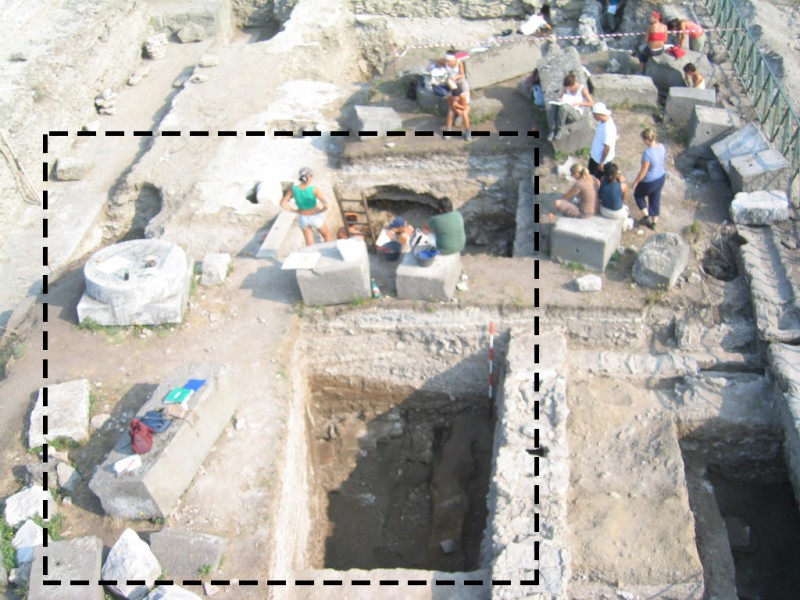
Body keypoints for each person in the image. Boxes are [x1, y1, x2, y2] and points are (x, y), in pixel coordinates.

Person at [279, 167, 334, 246]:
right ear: (309, 177)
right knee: (326, 235)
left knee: (309, 243)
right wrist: (321, 210)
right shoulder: (314, 189)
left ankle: (309, 256)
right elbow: (326, 205)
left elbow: (283, 204)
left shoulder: (293, 189)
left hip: (303, 217)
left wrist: (294, 210)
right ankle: (329, 253)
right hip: (315, 216)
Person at [631, 128, 667, 230]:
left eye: (643, 139)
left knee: (638, 194)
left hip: (650, 180)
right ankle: (654, 223)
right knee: (655, 198)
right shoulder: (662, 147)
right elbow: (665, 158)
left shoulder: (647, 153)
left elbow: (644, 171)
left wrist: (636, 182)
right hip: (661, 177)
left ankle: (646, 217)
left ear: (647, 139)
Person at [547, 72, 594, 141]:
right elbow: (562, 97)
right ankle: (552, 128)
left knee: (564, 107)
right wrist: (560, 99)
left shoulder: (582, 89)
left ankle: (559, 129)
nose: (568, 89)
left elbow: (591, 103)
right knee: (554, 105)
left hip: (576, 113)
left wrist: (579, 103)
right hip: (565, 110)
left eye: (569, 88)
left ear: (573, 85)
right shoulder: (565, 88)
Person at [588, 102, 617, 179]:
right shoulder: (601, 122)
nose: (593, 116)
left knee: (597, 180)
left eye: (594, 114)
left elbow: (607, 147)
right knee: (590, 176)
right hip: (595, 156)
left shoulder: (608, 128)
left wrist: (602, 162)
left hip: (601, 160)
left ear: (599, 114)